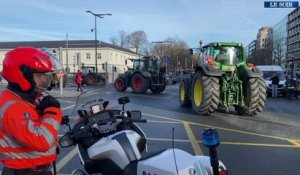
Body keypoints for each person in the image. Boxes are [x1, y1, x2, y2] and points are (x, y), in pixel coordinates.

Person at [0, 47, 62, 175]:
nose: (44, 80)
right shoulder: (12, 106)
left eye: (44, 75)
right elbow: (42, 141)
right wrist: (52, 112)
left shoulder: (24, 100)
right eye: (39, 75)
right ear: (21, 75)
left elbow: (35, 125)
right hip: (24, 171)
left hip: (34, 169)